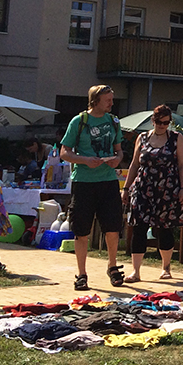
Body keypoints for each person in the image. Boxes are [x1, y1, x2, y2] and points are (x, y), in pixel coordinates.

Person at [60, 85, 125, 291]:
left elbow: (119, 151)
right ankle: (81, 274)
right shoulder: (79, 122)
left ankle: (112, 266)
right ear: (95, 100)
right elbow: (64, 152)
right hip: (84, 182)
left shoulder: (114, 122)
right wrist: (85, 160)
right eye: (108, 100)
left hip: (107, 180)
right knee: (81, 229)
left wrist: (117, 160)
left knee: (112, 227)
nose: (112, 104)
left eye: (112, 100)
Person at [122, 105, 183, 283]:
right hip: (143, 187)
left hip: (167, 188)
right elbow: (134, 165)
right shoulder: (143, 138)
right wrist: (126, 188)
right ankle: (136, 271)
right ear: (153, 121)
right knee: (139, 226)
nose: (163, 125)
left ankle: (166, 267)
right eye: (160, 122)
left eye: (167, 122)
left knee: (164, 227)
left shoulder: (176, 138)